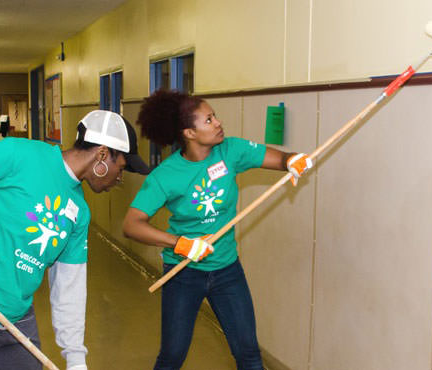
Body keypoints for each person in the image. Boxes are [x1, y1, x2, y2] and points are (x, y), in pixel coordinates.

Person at [0, 110, 150, 370]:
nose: (118, 179)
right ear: (102, 154)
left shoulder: (80, 211)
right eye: (121, 168)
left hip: (17, 321)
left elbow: (69, 287)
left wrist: (75, 358)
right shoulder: (22, 155)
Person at [122, 90, 313, 370]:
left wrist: (293, 161)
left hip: (227, 270)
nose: (218, 122)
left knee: (248, 353)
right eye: (208, 120)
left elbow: (281, 159)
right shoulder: (166, 175)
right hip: (183, 273)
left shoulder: (231, 151)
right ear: (189, 132)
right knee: (172, 356)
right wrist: (180, 243)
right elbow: (131, 224)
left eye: (215, 116)